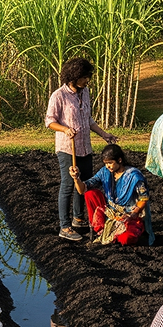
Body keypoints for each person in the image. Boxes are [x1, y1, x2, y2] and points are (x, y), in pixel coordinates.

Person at [45, 57, 118, 241]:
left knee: (84, 183)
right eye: (84, 77)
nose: (87, 81)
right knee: (68, 184)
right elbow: (49, 121)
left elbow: (88, 120)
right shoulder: (59, 95)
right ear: (74, 76)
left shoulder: (84, 93)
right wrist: (65, 129)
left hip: (85, 147)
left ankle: (78, 218)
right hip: (67, 149)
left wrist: (104, 134)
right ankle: (65, 226)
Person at [83, 144, 153, 246]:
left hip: (129, 216)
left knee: (126, 239)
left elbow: (144, 198)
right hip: (110, 214)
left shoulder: (134, 176)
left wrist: (134, 213)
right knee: (90, 194)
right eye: (106, 163)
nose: (108, 166)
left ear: (119, 160)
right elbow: (85, 187)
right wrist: (76, 178)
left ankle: (135, 232)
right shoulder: (105, 172)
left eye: (110, 163)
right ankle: (102, 229)